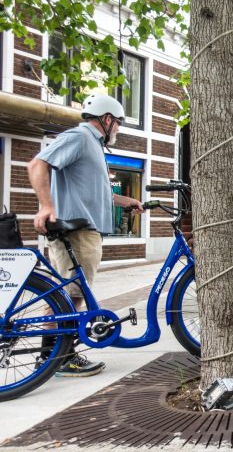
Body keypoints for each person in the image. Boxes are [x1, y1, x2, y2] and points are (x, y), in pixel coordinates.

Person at [27, 94, 145, 377]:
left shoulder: (92, 146)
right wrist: (46, 205)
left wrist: (126, 201)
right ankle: (54, 358)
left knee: (72, 295)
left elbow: (97, 193)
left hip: (85, 232)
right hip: (77, 232)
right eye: (117, 124)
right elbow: (37, 165)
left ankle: (56, 356)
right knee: (69, 296)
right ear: (107, 119)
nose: (117, 130)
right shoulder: (80, 138)